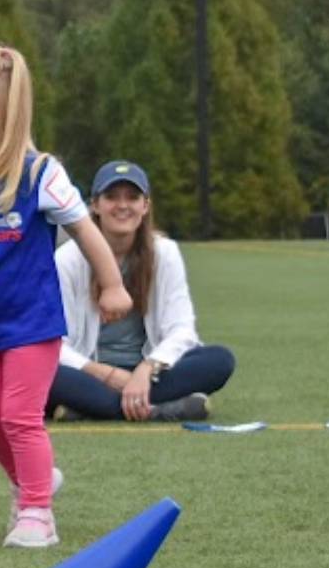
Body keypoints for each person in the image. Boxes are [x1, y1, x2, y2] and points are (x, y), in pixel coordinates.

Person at [0, 46, 131, 550]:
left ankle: (38, 511)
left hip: (34, 324)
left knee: (20, 418)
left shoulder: (40, 172)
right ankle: (35, 478)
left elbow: (87, 233)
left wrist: (111, 285)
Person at [48, 160, 236, 423]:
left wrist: (146, 369)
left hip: (149, 373)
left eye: (132, 198)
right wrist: (108, 375)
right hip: (89, 372)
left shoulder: (164, 252)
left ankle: (90, 409)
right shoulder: (67, 259)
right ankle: (160, 409)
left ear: (145, 205)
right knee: (38, 373)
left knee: (219, 360)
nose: (122, 206)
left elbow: (182, 330)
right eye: (111, 197)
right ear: (95, 205)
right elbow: (54, 343)